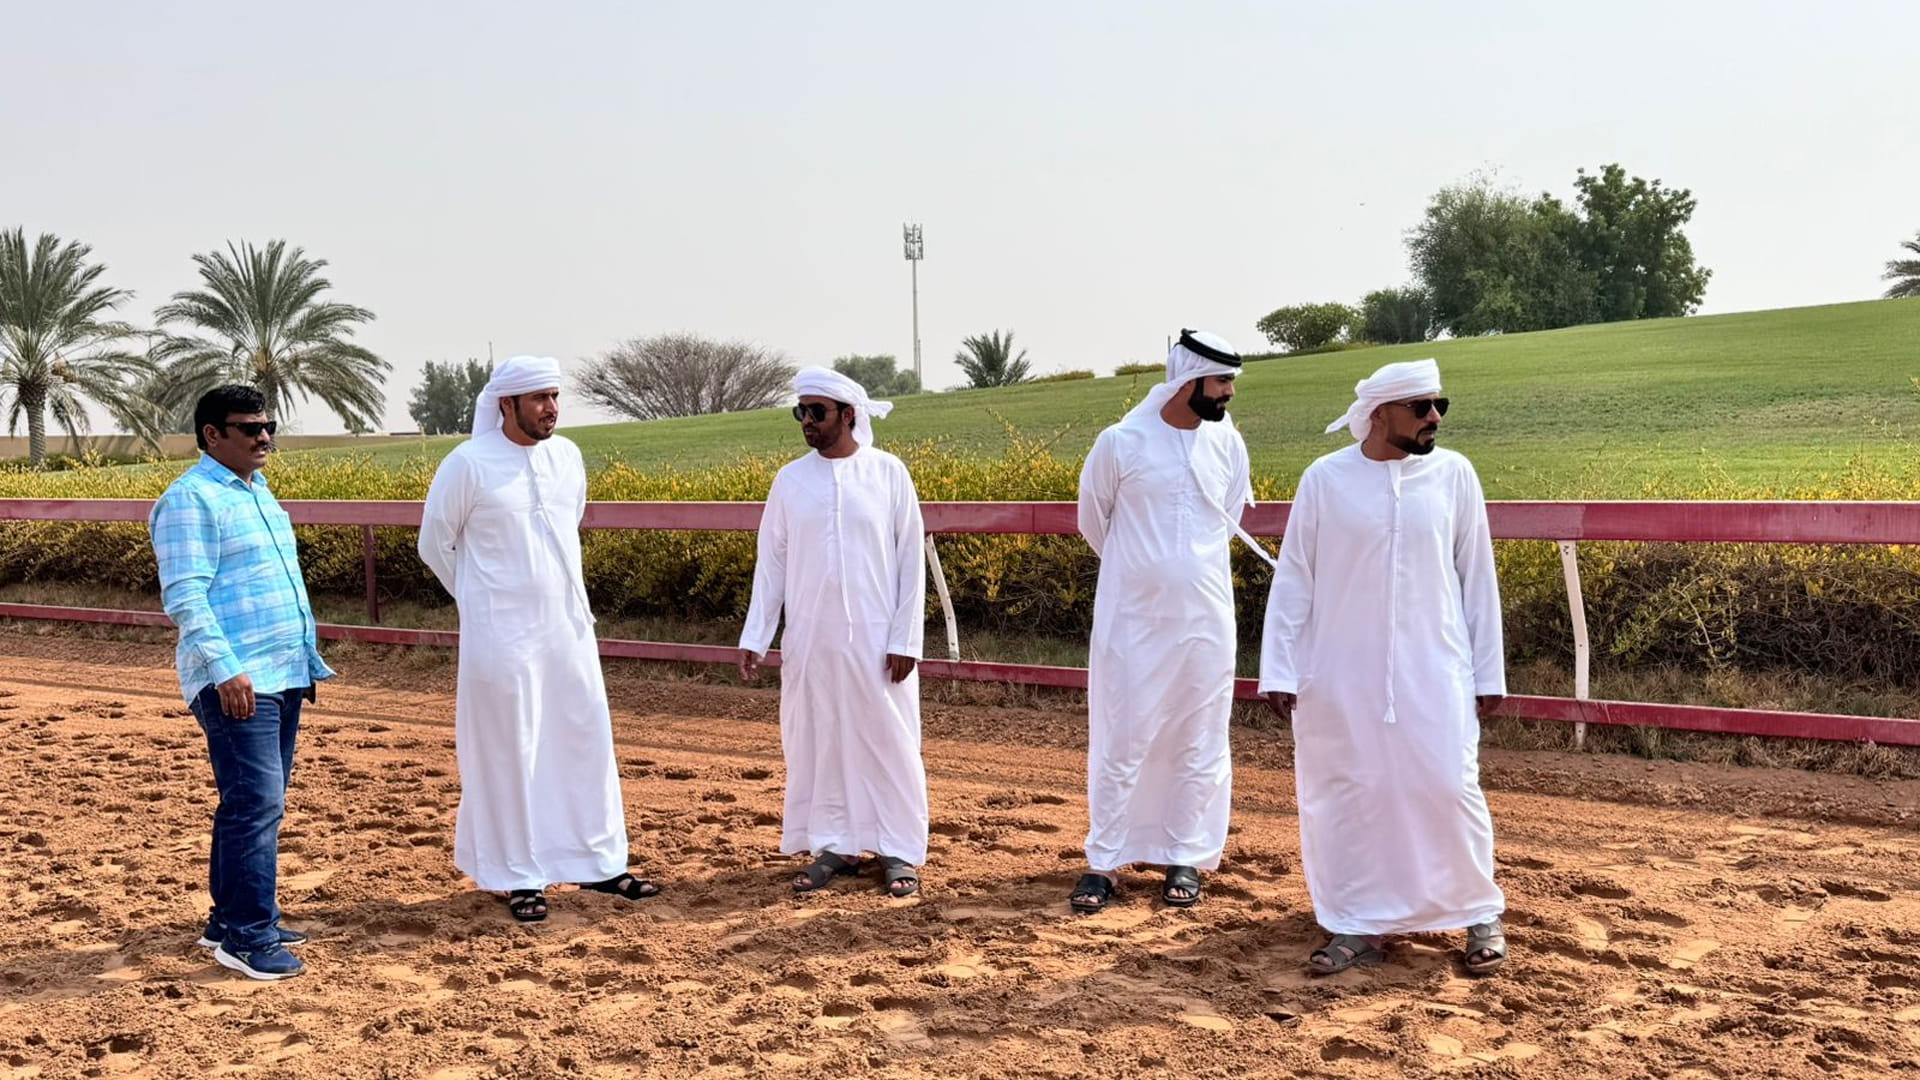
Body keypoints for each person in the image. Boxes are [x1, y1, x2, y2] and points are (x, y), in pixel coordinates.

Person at [1258, 358, 1510, 976]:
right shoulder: (1325, 479)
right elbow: (1295, 579)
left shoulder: (1454, 475)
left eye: (1438, 407)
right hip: (1340, 672)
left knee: (1450, 785)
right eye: (1422, 407)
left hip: (1437, 666)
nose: (1434, 418)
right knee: (1352, 792)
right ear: (1379, 415)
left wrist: (1488, 672)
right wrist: (1280, 668)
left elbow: (1477, 577)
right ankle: (1356, 923)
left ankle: (1478, 910)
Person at [418, 355, 659, 922]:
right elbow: (435, 545)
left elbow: (566, 526)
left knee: (581, 740)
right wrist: (482, 603)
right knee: (509, 749)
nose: (551, 408)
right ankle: (516, 875)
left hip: (568, 628)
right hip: (500, 637)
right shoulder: (467, 464)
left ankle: (598, 862)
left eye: (555, 396)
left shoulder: (567, 457)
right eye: (538, 398)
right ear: (507, 404)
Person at [1067, 329, 1259, 914]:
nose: (1228, 393)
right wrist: (1143, 572)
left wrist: (1181, 573)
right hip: (1132, 620)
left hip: (1205, 616)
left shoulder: (1228, 444)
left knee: (1199, 736)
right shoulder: (1121, 442)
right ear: (1188, 381)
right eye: (1222, 381)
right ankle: (1105, 860)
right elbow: (1092, 522)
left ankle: (1188, 855)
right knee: (1125, 735)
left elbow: (1225, 520)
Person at [150, 385, 333, 981]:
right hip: (238, 678)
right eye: (249, 428)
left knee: (254, 805)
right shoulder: (190, 501)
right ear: (212, 435)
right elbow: (184, 595)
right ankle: (249, 940)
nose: (264, 437)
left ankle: (231, 921)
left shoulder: (256, 493)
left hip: (282, 671)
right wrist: (225, 669)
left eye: (268, 426)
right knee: (256, 804)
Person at [738, 366, 929, 899]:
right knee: (819, 741)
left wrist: (905, 639)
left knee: (889, 742)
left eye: (816, 412)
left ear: (848, 415)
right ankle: (835, 844)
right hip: (811, 641)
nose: (806, 422)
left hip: (878, 641)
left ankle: (898, 849)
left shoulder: (889, 473)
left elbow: (911, 562)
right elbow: (771, 564)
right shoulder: (790, 480)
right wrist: (757, 634)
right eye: (800, 411)